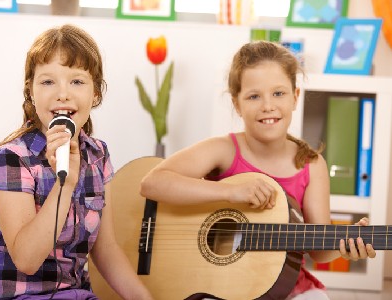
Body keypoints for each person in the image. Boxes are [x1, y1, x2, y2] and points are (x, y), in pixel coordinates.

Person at [140, 40, 376, 300]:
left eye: (278, 93)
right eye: (254, 96)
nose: (268, 106)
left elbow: (319, 251)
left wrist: (346, 247)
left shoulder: (311, 165)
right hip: (219, 285)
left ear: (295, 97)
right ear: (237, 103)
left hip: (285, 287)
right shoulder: (224, 150)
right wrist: (231, 193)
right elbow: (152, 183)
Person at [0, 24, 153, 300]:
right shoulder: (10, 159)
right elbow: (27, 260)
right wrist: (64, 185)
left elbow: (105, 251)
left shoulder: (98, 156)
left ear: (95, 94)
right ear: (31, 93)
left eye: (77, 81)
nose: (63, 94)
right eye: (47, 82)